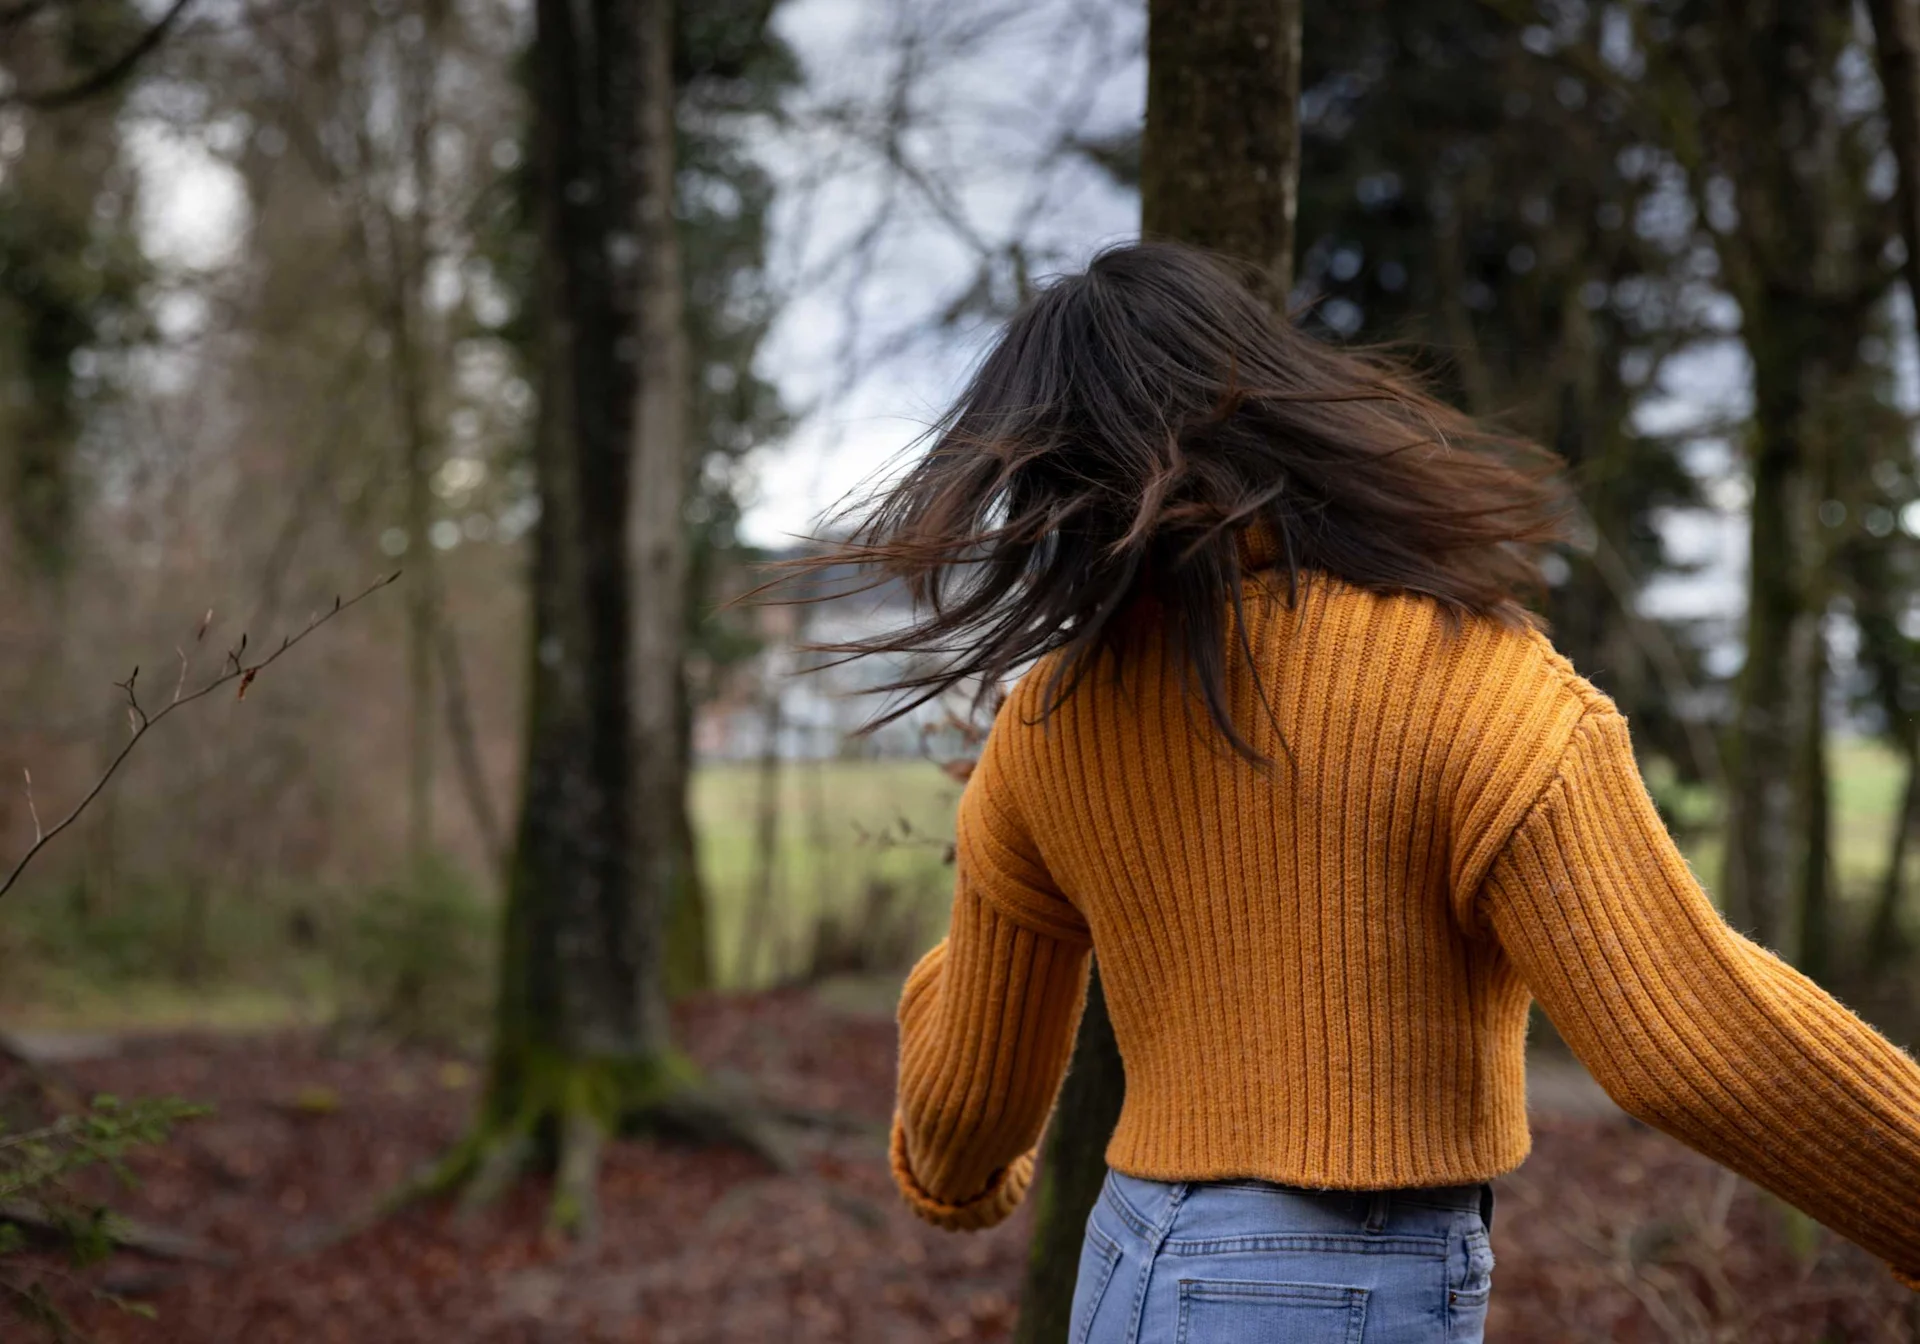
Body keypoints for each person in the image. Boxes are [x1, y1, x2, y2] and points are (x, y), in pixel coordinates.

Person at [796, 241, 1920, 1342]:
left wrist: (947, 1096)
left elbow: (964, 1128)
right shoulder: (1470, 680)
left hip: (1129, 1264)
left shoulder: (1044, 729)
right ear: (1270, 402)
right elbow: (1688, 1040)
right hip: (1333, 1285)